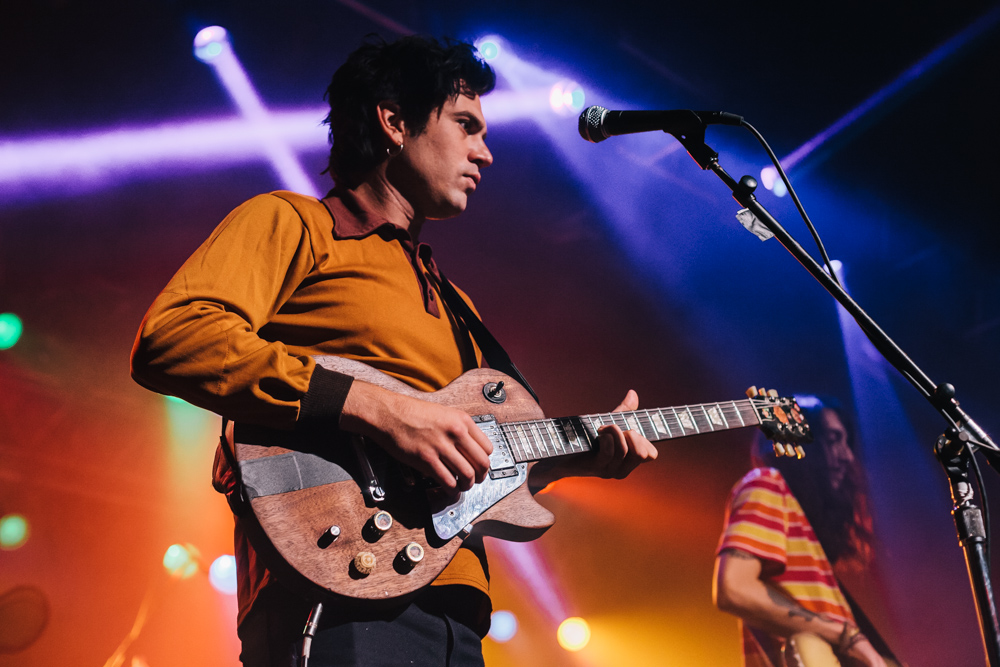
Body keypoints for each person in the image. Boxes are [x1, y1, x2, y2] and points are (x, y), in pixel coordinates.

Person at [130, 35, 657, 667]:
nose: (485, 152)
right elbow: (173, 336)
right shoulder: (297, 224)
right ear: (395, 121)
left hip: (454, 607)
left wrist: (579, 457)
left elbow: (476, 462)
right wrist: (381, 409)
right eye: (466, 125)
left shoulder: (456, 301)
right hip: (335, 596)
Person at [713, 396, 888, 667]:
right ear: (802, 443)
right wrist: (846, 636)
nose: (847, 456)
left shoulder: (803, 531)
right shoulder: (767, 483)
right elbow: (734, 589)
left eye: (847, 443)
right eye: (832, 440)